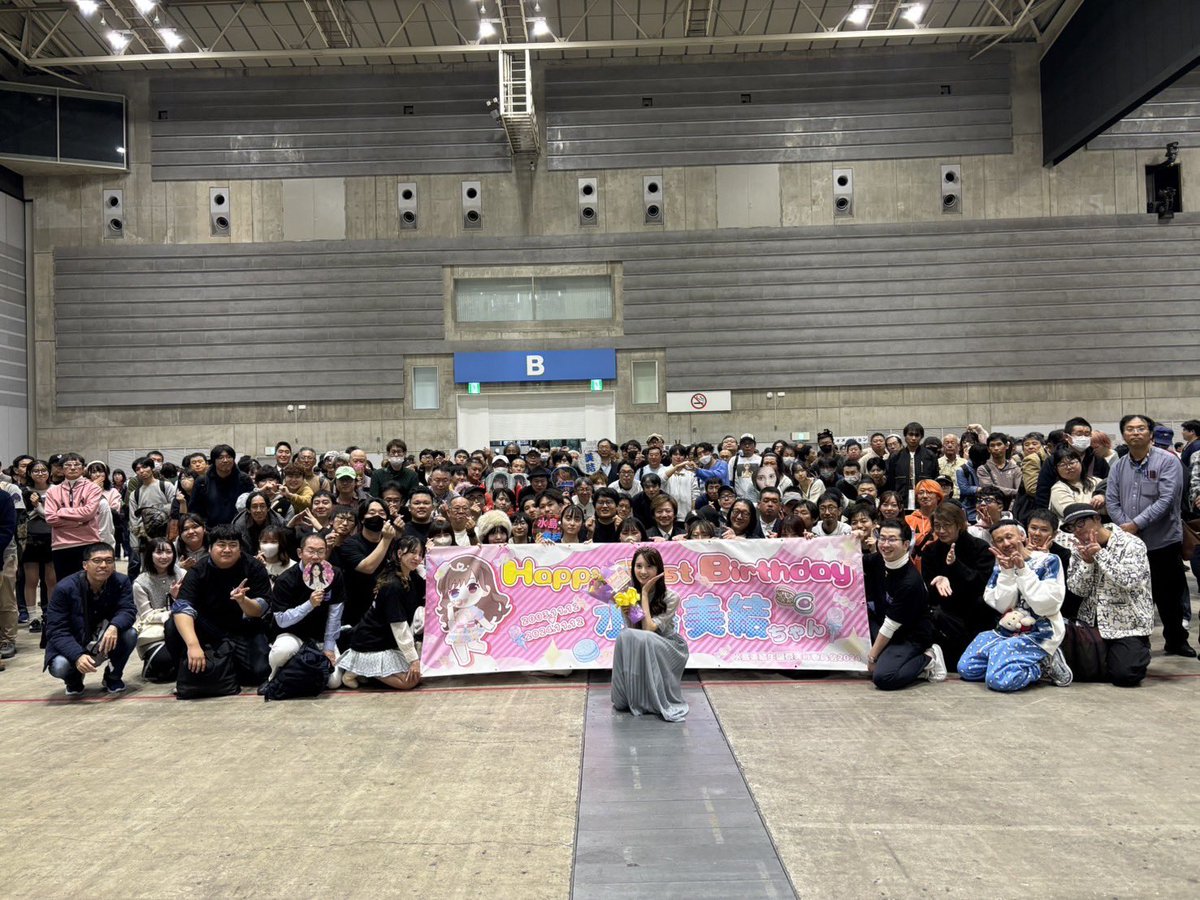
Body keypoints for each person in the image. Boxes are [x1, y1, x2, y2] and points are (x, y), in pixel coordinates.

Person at [1105, 414, 1193, 657]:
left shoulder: (1168, 461)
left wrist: (1136, 524)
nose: (1135, 433)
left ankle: (1176, 641)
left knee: (1169, 596)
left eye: (1141, 428)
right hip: (1129, 544)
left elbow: (1167, 499)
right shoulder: (1118, 466)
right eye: (1130, 429)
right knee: (1134, 595)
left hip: (1163, 541)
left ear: (1151, 434)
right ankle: (1136, 644)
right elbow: (1111, 500)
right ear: (1124, 435)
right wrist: (1125, 526)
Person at [957, 520, 1071, 691]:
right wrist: (1008, 573)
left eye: (1009, 537)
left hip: (1041, 632)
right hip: (1007, 630)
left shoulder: (1048, 560)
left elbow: (1045, 605)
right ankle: (1009, 661)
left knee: (998, 680)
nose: (1006, 543)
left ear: (1022, 536)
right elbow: (1003, 607)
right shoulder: (1001, 565)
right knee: (967, 668)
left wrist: (1023, 570)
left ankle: (1042, 665)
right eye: (999, 540)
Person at [1059, 504, 1154, 686]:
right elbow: (1077, 589)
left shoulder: (1131, 544)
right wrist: (1087, 563)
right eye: (1071, 527)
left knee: (1126, 676)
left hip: (1128, 624)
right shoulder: (1078, 549)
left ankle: (1134, 650)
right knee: (1075, 673)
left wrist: (1100, 555)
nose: (1077, 531)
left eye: (1080, 524)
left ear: (1097, 518)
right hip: (1091, 623)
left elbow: (1128, 580)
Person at [167, 524, 272, 687]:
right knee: (172, 625)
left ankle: (226, 666)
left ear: (240, 549)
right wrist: (193, 645)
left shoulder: (254, 567)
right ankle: (183, 668)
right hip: (207, 628)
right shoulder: (198, 570)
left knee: (259, 673)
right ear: (210, 548)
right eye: (221, 545)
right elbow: (181, 608)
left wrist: (243, 600)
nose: (227, 550)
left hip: (244, 627)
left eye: (233, 545)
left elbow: (260, 610)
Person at [43, 542, 137, 696]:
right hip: (75, 641)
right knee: (60, 666)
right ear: (85, 565)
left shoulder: (121, 582)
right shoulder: (64, 588)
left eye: (109, 561)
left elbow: (128, 610)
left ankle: (113, 677)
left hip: (104, 638)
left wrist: (114, 626)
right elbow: (56, 630)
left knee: (130, 634)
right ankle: (74, 679)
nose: (103, 565)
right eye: (97, 561)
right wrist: (77, 655)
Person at [610, 547, 689, 722]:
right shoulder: (629, 594)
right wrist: (629, 611)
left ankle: (652, 699)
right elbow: (635, 633)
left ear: (658, 569)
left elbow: (648, 630)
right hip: (645, 641)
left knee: (640, 637)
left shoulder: (671, 597)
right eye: (638, 566)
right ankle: (630, 696)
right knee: (625, 635)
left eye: (649, 566)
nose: (643, 571)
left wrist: (644, 594)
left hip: (669, 645)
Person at [866, 520, 946, 690]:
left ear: (905, 545)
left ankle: (929, 659)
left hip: (909, 636)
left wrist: (872, 657)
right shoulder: (879, 559)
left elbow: (890, 626)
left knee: (883, 677)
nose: (885, 544)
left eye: (892, 539)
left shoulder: (910, 582)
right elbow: (850, 560)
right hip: (885, 625)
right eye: (882, 538)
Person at [337, 535, 425, 691]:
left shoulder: (411, 577)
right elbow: (399, 626)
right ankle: (356, 670)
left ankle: (365, 672)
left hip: (389, 642)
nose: (417, 558)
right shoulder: (393, 585)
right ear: (400, 554)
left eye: (420, 554)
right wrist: (413, 660)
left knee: (422, 675)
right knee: (409, 682)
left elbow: (430, 588)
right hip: (372, 643)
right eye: (413, 552)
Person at [264, 532, 345, 689]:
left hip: (320, 637)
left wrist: (329, 648)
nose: (316, 556)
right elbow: (281, 620)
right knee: (282, 651)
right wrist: (309, 604)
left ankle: (302, 672)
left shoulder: (335, 574)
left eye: (320, 551)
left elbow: (335, 614)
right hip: (292, 635)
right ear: (300, 553)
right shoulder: (285, 580)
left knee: (334, 682)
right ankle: (274, 678)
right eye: (311, 551)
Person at [43, 453, 103, 581]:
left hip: (88, 542)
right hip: (61, 545)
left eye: (77, 464)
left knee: (90, 583)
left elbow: (88, 513)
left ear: (83, 468)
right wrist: (77, 522)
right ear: (61, 469)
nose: (73, 468)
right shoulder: (52, 491)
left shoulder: (93, 488)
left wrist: (62, 511)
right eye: (68, 465)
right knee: (65, 585)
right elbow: (50, 518)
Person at [131, 538, 184, 681]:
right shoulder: (141, 583)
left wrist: (176, 598)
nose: (164, 556)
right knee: (163, 661)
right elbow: (146, 615)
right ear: (150, 555)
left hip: (181, 627)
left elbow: (191, 604)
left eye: (168, 552)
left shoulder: (181, 574)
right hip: (156, 631)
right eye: (159, 552)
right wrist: (169, 615)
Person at [20, 459, 55, 634]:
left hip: (53, 537)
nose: (40, 473)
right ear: (29, 473)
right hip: (30, 538)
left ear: (49, 472)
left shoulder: (56, 490)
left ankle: (52, 616)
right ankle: (33, 617)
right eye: (36, 470)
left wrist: (39, 507)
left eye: (43, 470)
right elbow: (22, 516)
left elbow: (55, 515)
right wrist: (37, 509)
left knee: (51, 579)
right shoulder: (23, 491)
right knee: (31, 580)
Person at [188, 445, 255, 527]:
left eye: (229, 457)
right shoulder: (202, 481)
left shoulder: (244, 479)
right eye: (221, 458)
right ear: (214, 461)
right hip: (210, 529)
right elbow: (194, 509)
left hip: (238, 528)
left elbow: (251, 504)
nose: (225, 460)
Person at [886, 422, 939, 510]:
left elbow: (934, 479)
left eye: (917, 435)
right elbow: (891, 482)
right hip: (901, 500)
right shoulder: (896, 457)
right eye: (910, 435)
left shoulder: (930, 456)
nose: (913, 438)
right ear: (905, 436)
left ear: (921, 437)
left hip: (924, 499)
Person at [1048, 445, 1105, 519]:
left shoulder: (1096, 481)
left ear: (1080, 463)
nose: (1068, 467)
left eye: (1072, 463)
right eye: (1062, 465)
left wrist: (1103, 496)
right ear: (1057, 469)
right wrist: (1100, 506)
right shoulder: (1058, 488)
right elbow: (1072, 513)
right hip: (1076, 525)